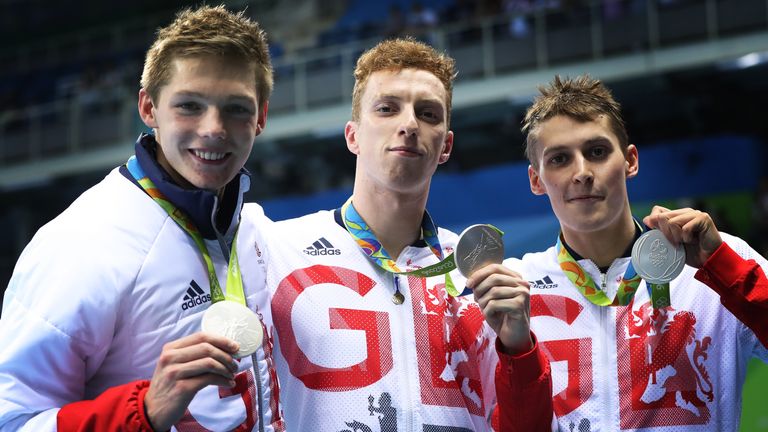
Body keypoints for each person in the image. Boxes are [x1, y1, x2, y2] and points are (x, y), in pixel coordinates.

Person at [245, 37, 552, 431]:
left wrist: (519, 351)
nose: (409, 124)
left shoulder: (477, 274)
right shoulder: (276, 250)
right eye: (387, 109)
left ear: (446, 145)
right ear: (352, 135)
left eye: (427, 114)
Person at [0, 6, 284, 431]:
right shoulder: (80, 244)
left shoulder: (259, 233)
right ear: (148, 108)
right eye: (189, 105)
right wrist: (144, 412)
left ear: (261, 117)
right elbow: (12, 421)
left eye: (236, 109)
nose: (214, 129)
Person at [504, 74, 768, 430]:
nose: (581, 172)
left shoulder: (718, 262)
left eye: (596, 152)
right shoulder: (514, 289)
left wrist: (724, 269)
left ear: (630, 161)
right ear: (537, 180)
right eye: (560, 159)